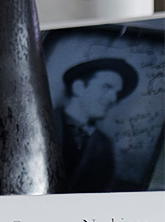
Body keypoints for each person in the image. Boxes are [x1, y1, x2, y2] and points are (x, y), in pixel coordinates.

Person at [55, 57, 138, 192]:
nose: (113, 98)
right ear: (78, 88)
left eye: (117, 93)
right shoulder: (38, 125)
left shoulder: (104, 146)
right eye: (107, 87)